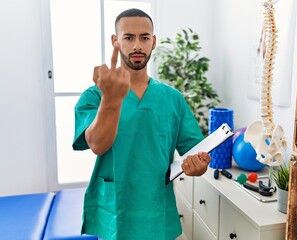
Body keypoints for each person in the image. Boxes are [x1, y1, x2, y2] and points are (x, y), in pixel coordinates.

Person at [72, 8, 211, 240]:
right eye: (128, 37)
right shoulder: (95, 96)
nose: (137, 45)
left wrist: (199, 166)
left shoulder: (172, 98)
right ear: (115, 41)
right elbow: (97, 144)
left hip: (158, 212)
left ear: (153, 42)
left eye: (144, 37)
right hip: (116, 210)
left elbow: (196, 153)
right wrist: (111, 99)